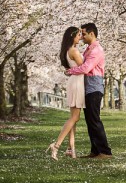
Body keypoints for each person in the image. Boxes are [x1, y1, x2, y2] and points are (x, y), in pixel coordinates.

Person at [65, 23, 112, 159]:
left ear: (92, 34)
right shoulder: (88, 50)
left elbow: (85, 68)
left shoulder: (96, 50)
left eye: (84, 34)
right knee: (90, 121)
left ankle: (105, 152)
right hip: (88, 88)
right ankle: (95, 151)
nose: (82, 37)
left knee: (95, 120)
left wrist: (70, 71)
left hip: (94, 88)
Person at [46, 27, 85, 160]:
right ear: (72, 36)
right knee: (74, 118)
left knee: (74, 118)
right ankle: (56, 145)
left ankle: (71, 149)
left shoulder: (68, 50)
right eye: (78, 35)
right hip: (77, 83)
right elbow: (84, 67)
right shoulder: (74, 50)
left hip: (73, 82)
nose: (80, 37)